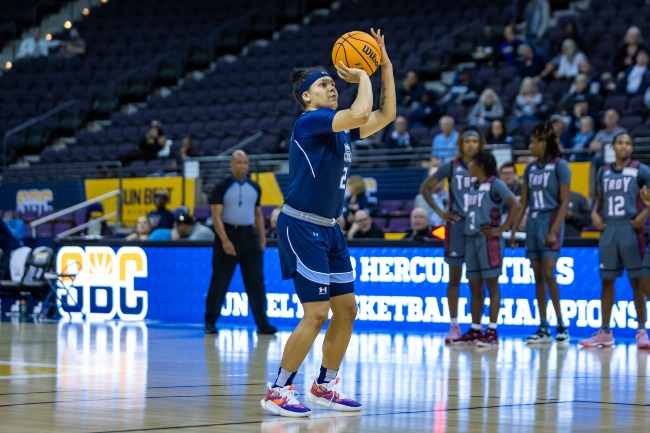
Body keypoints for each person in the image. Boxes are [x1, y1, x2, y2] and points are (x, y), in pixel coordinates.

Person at [262, 28, 395, 417]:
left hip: (330, 227)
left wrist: (383, 66)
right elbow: (358, 111)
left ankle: (324, 385)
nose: (332, 87)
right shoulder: (309, 122)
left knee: (348, 308)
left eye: (333, 83)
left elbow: (385, 114)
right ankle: (279, 388)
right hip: (301, 224)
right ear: (307, 97)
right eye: (324, 84)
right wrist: (363, 76)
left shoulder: (339, 130)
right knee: (317, 312)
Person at [580, 133, 650, 349]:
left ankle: (641, 330)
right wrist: (594, 213)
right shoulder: (604, 170)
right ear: (613, 147)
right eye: (620, 142)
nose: (624, 146)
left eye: (628, 143)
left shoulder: (641, 169)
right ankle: (605, 331)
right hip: (609, 230)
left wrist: (645, 212)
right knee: (607, 281)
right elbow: (598, 198)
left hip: (631, 228)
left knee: (636, 281)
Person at [420, 125, 484, 343]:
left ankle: (477, 327)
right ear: (461, 144)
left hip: (478, 228)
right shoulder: (451, 166)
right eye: (468, 141)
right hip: (456, 227)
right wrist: (440, 213)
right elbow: (425, 188)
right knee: (454, 278)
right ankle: (454, 325)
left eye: (475, 141)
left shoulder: (485, 167)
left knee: (477, 280)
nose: (471, 145)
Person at [451, 150, 521, 346]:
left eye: (472, 163)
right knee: (474, 287)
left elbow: (515, 205)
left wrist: (501, 230)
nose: (469, 167)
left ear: (481, 165)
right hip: (471, 239)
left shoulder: (495, 183)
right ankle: (475, 329)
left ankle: (492, 330)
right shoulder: (473, 186)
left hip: (488, 241)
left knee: (492, 286)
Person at [511, 122, 571, 344]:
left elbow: (565, 202)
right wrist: (515, 229)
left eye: (533, 142)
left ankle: (561, 323)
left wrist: (554, 230)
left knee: (548, 274)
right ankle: (543, 326)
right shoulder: (529, 168)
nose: (530, 146)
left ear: (544, 143)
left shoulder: (560, 166)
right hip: (534, 222)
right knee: (537, 276)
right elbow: (523, 202)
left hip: (551, 219)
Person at [205, 150, 276, 335]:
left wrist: (262, 238)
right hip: (228, 233)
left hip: (248, 234)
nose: (243, 166)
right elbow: (216, 215)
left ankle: (263, 324)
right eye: (239, 162)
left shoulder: (254, 187)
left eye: (246, 162)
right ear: (231, 164)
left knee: (256, 283)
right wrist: (225, 240)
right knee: (220, 281)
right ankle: (210, 322)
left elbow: (258, 214)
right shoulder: (221, 186)